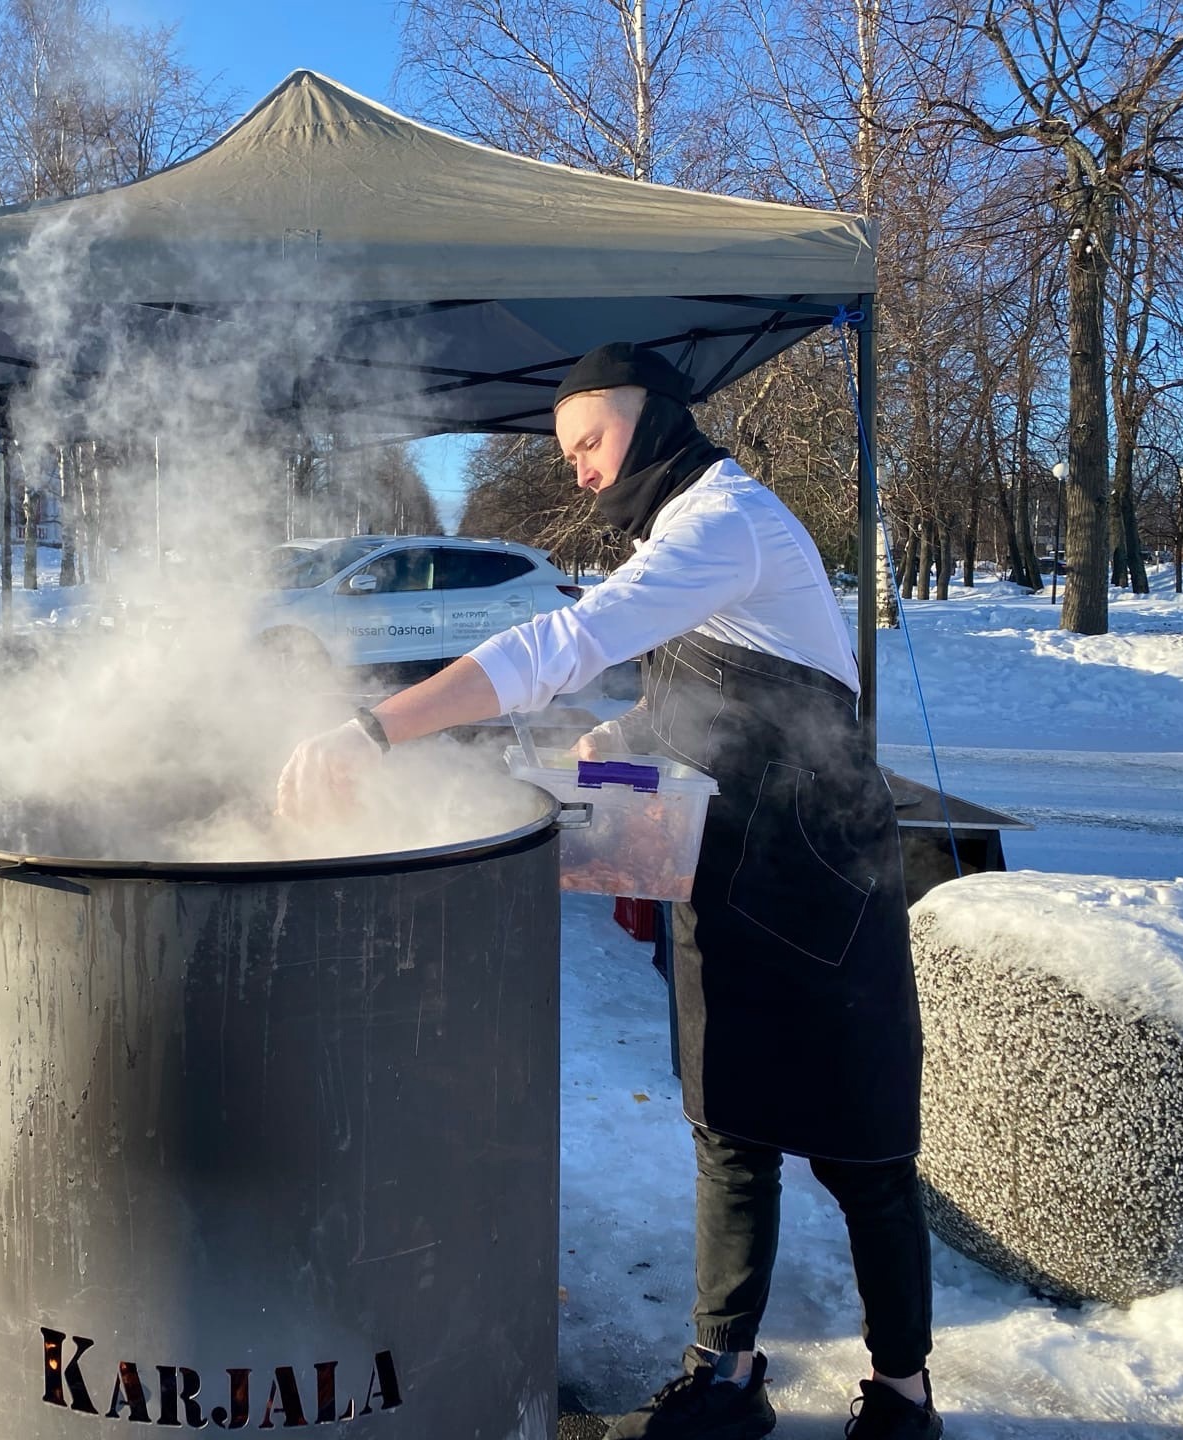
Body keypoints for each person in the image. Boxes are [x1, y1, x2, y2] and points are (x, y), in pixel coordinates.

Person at [276, 343, 939, 1440]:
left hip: (824, 882)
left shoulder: (730, 520)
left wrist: (375, 728)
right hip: (727, 872)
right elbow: (714, 701)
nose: (579, 468)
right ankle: (723, 1375)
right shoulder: (680, 533)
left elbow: (568, 640)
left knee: (863, 1148)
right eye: (569, 449)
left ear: (656, 420)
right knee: (729, 1130)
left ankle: (903, 1395)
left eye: (590, 441)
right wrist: (621, 740)